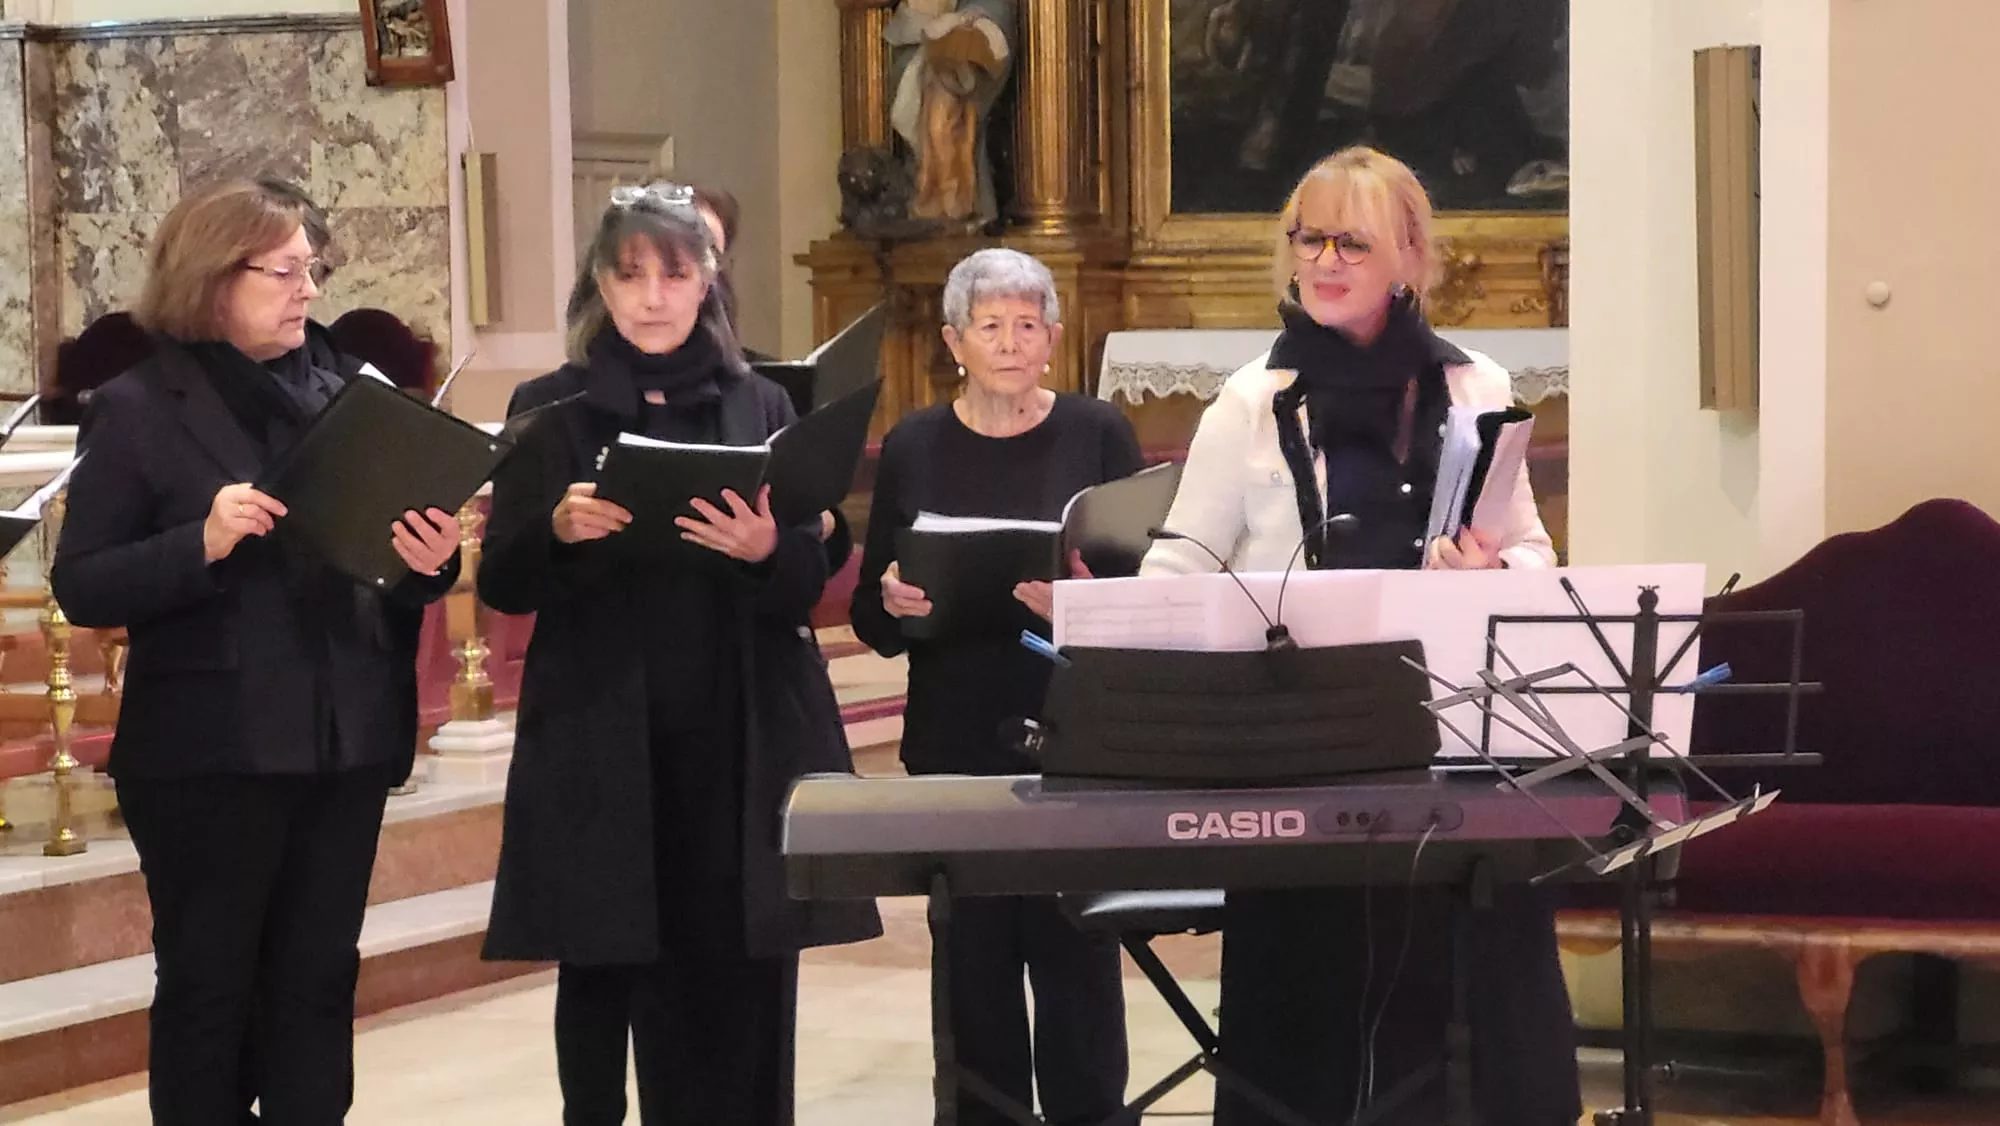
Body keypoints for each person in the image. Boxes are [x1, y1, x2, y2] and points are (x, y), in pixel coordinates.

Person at [1140, 146, 1577, 1126]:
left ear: (1408, 256)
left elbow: (1533, 556)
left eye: (1352, 241)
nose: (1325, 260)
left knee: (1470, 983)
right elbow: (1180, 567)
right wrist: (1116, 622)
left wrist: (1488, 574)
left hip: (1453, 738)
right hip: (1303, 747)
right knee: (1311, 1008)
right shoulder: (1250, 399)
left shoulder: (1475, 384)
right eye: (1309, 239)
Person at [50, 177, 463, 1125]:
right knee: (212, 988)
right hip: (211, 753)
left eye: (312, 269)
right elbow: (85, 584)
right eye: (283, 271)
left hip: (342, 737)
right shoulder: (139, 407)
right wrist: (200, 540)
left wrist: (428, 562)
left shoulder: (346, 395)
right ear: (212, 277)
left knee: (318, 982)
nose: (307, 290)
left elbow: (384, 564)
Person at [477, 182, 880, 1126]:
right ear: (600, 285)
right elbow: (503, 581)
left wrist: (767, 549)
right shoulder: (551, 408)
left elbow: (806, 577)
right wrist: (557, 532)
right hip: (603, 727)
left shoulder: (762, 402)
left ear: (708, 282)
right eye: (630, 275)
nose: (652, 296)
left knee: (742, 958)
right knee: (602, 955)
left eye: (674, 273)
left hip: (737, 724)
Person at [851, 247, 1139, 1126]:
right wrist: (894, 600)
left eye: (1027, 325)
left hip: (1072, 722)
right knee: (971, 960)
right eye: (990, 326)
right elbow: (870, 614)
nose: (1011, 343)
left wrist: (1085, 601)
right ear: (954, 342)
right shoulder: (914, 444)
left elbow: (1147, 589)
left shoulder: (1097, 433)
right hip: (956, 727)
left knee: (1075, 950)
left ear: (1053, 337)